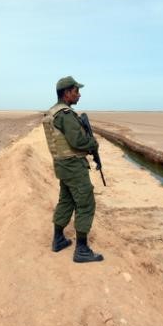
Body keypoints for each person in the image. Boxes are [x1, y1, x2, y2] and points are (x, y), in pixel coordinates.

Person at [42, 76, 104, 263]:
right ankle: (82, 250)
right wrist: (93, 143)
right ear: (67, 93)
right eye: (76, 91)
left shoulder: (53, 112)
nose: (79, 94)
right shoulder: (66, 115)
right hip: (73, 165)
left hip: (62, 164)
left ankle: (58, 239)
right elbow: (77, 141)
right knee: (85, 203)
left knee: (66, 200)